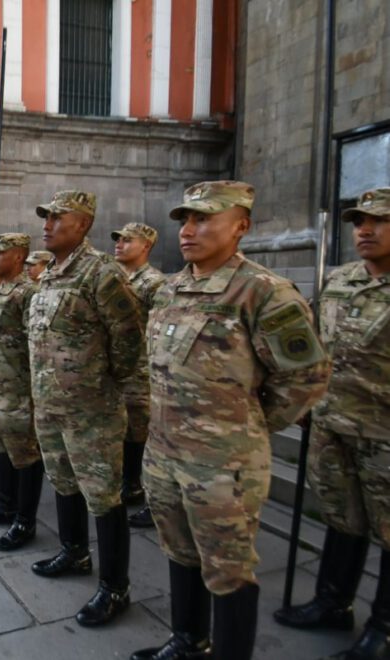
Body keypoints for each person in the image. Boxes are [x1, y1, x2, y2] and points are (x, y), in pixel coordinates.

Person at [132, 181, 330, 660]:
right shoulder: (172, 287)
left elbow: (306, 376)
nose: (189, 229)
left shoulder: (263, 293)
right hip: (163, 453)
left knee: (227, 570)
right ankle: (187, 640)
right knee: (179, 552)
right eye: (185, 219)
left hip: (223, 467)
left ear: (241, 226)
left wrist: (247, 426)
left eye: (204, 219)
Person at [273, 187, 390, 660]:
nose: (365, 229)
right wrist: (304, 400)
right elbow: (316, 347)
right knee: (343, 519)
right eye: (360, 221)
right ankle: (332, 602)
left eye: (379, 221)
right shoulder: (341, 280)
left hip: (383, 435)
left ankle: (383, 629)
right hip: (332, 424)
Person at [28, 190, 143, 627]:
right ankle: (75, 552)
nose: (48, 224)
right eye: (46, 218)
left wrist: (99, 383)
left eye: (57, 217)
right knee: (62, 481)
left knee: (104, 496)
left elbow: (130, 337)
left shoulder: (100, 273)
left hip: (90, 409)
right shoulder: (50, 275)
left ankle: (115, 587)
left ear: (82, 224)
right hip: (49, 403)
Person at [0, 233, 43, 551]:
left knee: (25, 456)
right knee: (2, 449)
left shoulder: (28, 293)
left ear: (17, 257)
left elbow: (37, 347)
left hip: (18, 391)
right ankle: (5, 505)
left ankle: (25, 521)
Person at [111, 223, 167, 528]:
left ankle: (144, 491)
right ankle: (129, 484)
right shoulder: (118, 278)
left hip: (141, 374)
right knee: (126, 432)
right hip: (121, 373)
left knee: (142, 435)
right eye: (118, 239)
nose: (119, 244)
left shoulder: (153, 283)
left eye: (127, 240)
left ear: (145, 246)